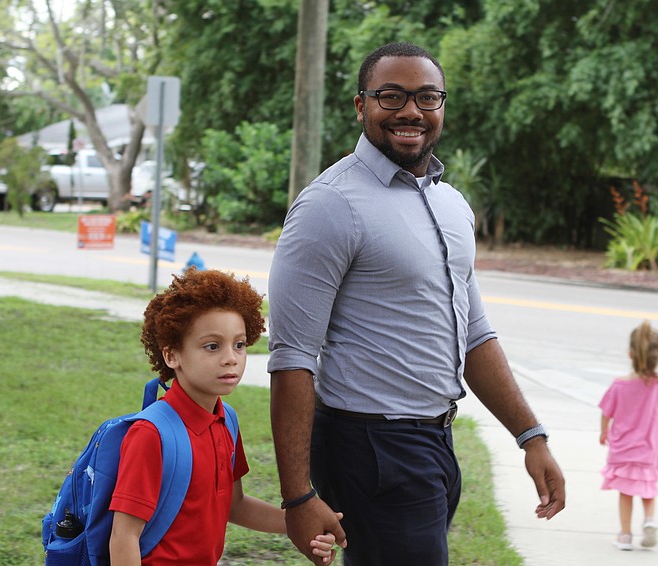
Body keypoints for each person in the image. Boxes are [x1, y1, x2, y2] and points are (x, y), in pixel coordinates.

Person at [267, 41, 566, 565]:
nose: (411, 111)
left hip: (435, 443)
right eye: (391, 96)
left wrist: (530, 436)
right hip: (369, 446)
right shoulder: (330, 205)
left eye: (427, 97)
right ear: (361, 105)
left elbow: (474, 333)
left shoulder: (450, 204)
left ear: (442, 106)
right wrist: (297, 497)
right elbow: (292, 357)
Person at [108, 268, 340, 565]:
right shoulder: (151, 434)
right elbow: (124, 536)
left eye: (239, 345)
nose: (231, 358)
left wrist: (302, 522)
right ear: (171, 355)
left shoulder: (226, 420)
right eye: (212, 346)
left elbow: (235, 505)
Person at [600, 321, 658, 551]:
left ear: (630, 353)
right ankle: (649, 520)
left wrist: (603, 432)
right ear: (657, 355)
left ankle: (625, 536)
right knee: (647, 488)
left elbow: (606, 412)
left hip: (624, 448)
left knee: (626, 492)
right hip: (649, 448)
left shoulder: (619, 385)